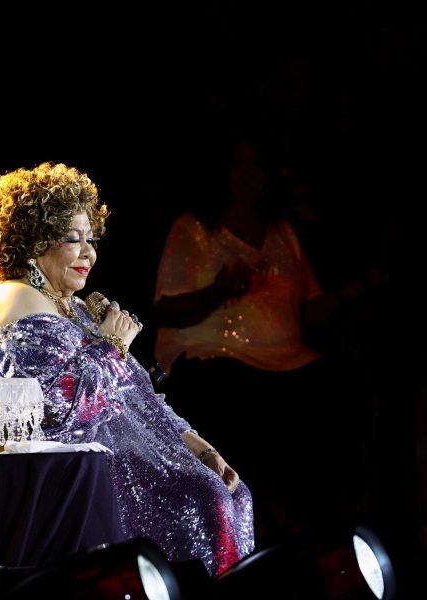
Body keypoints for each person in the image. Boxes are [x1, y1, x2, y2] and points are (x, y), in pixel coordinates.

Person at [0, 162, 254, 577]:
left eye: (91, 239)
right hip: (28, 468)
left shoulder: (68, 305)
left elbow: (137, 397)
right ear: (32, 241)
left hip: (84, 455)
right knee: (202, 498)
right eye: (73, 239)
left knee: (220, 489)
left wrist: (198, 446)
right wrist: (111, 346)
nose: (89, 252)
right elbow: (60, 411)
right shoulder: (17, 298)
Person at [153, 136, 349, 541]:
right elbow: (166, 308)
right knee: (240, 402)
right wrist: (218, 291)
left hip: (288, 360)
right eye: (239, 165)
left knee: (333, 392)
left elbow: (311, 309)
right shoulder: (195, 228)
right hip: (216, 359)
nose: (249, 176)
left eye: (256, 165)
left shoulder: (283, 231)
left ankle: (318, 538)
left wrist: (360, 287)